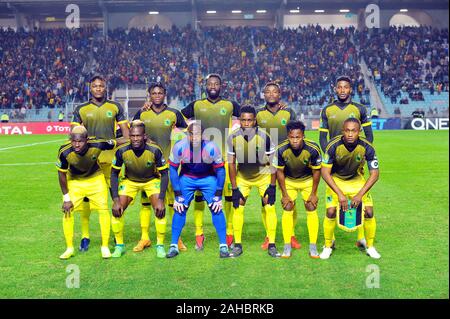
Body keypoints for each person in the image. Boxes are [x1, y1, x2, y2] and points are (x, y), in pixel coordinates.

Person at [180, 74, 241, 250]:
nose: (213, 86)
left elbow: (250, 114)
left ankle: (229, 232)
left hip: (226, 158)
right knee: (199, 197)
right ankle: (199, 234)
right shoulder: (197, 105)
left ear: (221, 86)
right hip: (202, 159)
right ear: (205, 86)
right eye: (210, 83)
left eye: (216, 83)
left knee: (228, 197)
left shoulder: (230, 105)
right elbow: (178, 117)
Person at [70, 75, 129, 253]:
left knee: (115, 198)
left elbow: (126, 135)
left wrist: (109, 143)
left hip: (110, 160)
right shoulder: (81, 109)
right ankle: (85, 236)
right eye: (94, 86)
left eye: (101, 86)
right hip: (88, 162)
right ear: (90, 88)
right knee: (86, 200)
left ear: (105, 88)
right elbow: (73, 135)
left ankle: (117, 237)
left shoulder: (115, 106)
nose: (98, 89)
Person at [319, 75, 374, 249]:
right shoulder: (327, 110)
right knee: (332, 207)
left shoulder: (359, 109)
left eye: (346, 87)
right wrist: (330, 155)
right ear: (335, 89)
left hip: (355, 159)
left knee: (361, 202)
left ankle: (362, 238)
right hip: (334, 157)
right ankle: (331, 240)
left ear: (351, 89)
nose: (342, 90)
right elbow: (322, 137)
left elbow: (369, 135)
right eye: (339, 87)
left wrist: (362, 156)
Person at [133, 82, 188, 253]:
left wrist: (178, 135)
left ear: (165, 94)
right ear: (149, 95)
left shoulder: (174, 114)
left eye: (160, 93)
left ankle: (176, 238)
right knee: (145, 203)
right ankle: (144, 238)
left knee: (173, 203)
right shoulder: (142, 112)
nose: (157, 95)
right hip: (147, 166)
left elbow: (188, 134)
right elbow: (130, 132)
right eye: (154, 93)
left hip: (169, 166)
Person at [166, 122, 230, 259]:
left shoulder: (212, 148)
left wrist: (218, 195)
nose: (194, 137)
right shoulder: (179, 147)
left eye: (197, 134)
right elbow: (172, 169)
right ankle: (173, 245)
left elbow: (220, 170)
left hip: (208, 178)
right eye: (191, 134)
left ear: (203, 136)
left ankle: (223, 246)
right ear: (187, 135)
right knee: (180, 208)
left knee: (216, 207)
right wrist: (177, 194)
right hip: (187, 178)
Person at [320, 118, 381, 259]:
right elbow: (324, 172)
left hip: (356, 181)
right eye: (347, 130)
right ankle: (328, 246)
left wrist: (359, 195)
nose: (350, 134)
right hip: (336, 181)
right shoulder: (333, 146)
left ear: (359, 132)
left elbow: (375, 174)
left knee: (369, 212)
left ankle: (370, 246)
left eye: (353, 131)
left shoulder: (367, 147)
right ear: (343, 131)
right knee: (330, 212)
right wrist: (340, 195)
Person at [110, 121, 169, 258]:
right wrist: (116, 199)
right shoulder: (121, 151)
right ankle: (119, 246)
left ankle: (160, 245)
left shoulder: (154, 150)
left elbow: (165, 174)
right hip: (130, 181)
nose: (135, 139)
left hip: (151, 181)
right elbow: (113, 174)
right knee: (117, 211)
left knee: (160, 210)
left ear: (144, 136)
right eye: (132, 136)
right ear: (129, 136)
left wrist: (161, 199)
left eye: (138, 135)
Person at [227, 106, 280, 258]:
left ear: (255, 121)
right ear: (240, 121)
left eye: (250, 120)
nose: (246, 123)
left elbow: (273, 163)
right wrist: (235, 188)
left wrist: (272, 186)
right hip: (243, 177)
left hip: (263, 176)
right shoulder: (232, 137)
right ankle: (237, 245)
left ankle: (272, 244)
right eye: (243, 120)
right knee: (238, 207)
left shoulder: (265, 136)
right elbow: (231, 164)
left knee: (270, 207)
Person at [56, 126, 115, 259]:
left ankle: (104, 246)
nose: (76, 144)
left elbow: (115, 142)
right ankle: (69, 248)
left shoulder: (98, 144)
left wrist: (139, 140)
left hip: (96, 179)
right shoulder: (64, 151)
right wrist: (66, 198)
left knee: (103, 210)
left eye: (80, 141)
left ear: (87, 140)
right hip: (75, 182)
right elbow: (61, 174)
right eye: (73, 141)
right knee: (67, 211)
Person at [256, 82, 300, 251]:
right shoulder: (258, 114)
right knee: (266, 200)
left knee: (290, 199)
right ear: (264, 95)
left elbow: (296, 135)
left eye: (275, 91)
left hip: (286, 161)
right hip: (264, 161)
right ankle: (269, 235)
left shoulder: (288, 112)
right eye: (268, 92)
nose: (271, 94)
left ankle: (291, 235)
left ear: (280, 94)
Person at [273, 121, 322, 258]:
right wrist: (284, 194)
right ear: (288, 136)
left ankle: (313, 246)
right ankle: (287, 246)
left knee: (311, 207)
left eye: (298, 137)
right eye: (292, 137)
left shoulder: (313, 149)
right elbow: (279, 173)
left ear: (303, 136)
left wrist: (314, 193)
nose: (295, 140)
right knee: (287, 207)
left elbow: (317, 172)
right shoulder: (281, 149)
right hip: (289, 181)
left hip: (307, 181)